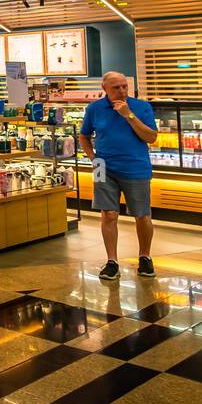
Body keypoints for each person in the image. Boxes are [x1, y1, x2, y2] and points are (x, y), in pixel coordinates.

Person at [80, 71, 158, 281]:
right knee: (108, 215)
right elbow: (84, 135)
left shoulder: (141, 107)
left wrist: (128, 115)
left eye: (124, 86)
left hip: (136, 166)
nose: (122, 91)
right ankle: (112, 261)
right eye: (116, 88)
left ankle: (145, 256)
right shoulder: (95, 109)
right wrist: (93, 158)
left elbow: (151, 137)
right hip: (103, 166)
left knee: (142, 215)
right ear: (104, 89)